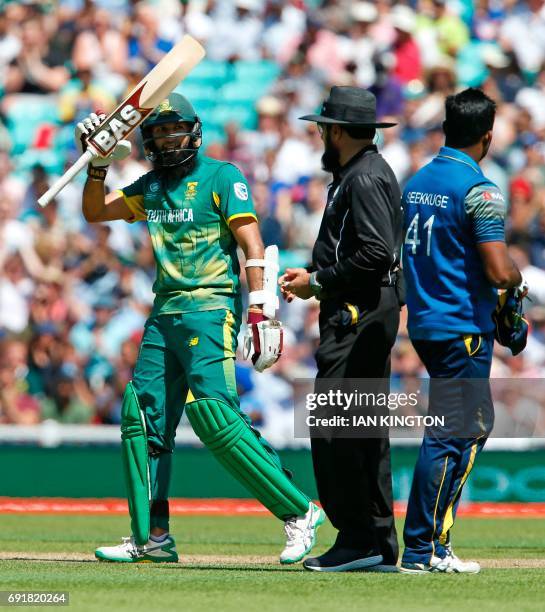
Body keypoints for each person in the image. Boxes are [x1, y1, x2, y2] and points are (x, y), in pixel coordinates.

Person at [76, 93, 323, 564]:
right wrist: (96, 164)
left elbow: (251, 241)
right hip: (164, 311)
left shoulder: (221, 176)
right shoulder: (150, 187)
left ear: (193, 130)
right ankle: (151, 536)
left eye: (175, 130)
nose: (168, 140)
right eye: (159, 132)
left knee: (214, 416)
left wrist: (259, 312)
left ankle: (298, 511)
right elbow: (95, 211)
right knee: (141, 418)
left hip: (211, 309)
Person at [400, 88, 527, 574]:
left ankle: (425, 545)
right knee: (458, 432)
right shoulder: (480, 189)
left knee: (454, 429)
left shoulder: (416, 181)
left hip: (428, 323)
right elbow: (498, 270)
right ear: (488, 136)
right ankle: (425, 548)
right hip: (463, 326)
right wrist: (517, 282)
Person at [280, 86, 403, 571]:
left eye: (322, 129)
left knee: (337, 429)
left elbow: (376, 253)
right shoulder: (358, 173)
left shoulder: (365, 178)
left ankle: (358, 540)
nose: (319, 137)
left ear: (337, 131)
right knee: (362, 432)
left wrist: (320, 282)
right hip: (361, 310)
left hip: (360, 313)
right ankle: (376, 542)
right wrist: (317, 279)